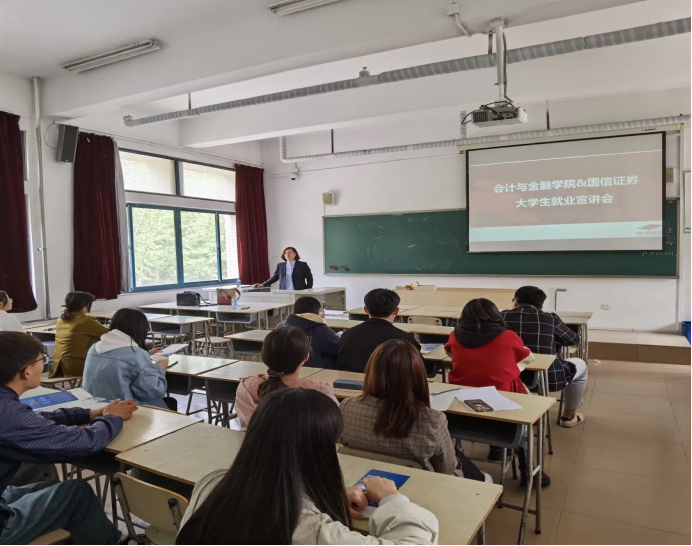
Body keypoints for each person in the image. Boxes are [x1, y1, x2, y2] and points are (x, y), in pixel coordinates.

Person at [176, 388, 439, 545]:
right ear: (322, 450)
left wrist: (321, 497)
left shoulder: (211, 483)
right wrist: (393, 501)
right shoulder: (310, 529)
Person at [0, 331, 138, 545]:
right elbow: (86, 442)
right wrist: (112, 418)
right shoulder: (7, 413)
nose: (44, 365)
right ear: (27, 371)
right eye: (42, 360)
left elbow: (34, 420)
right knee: (77, 492)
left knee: (47, 487)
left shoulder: (7, 405)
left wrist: (90, 414)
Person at [340, 340, 488, 482]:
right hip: (421, 488)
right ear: (418, 375)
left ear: (371, 372)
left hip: (364, 483)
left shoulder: (346, 408)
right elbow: (447, 471)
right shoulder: (433, 421)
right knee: (464, 463)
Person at [503, 286, 588, 428]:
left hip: (509, 376)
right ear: (541, 306)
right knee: (581, 365)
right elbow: (573, 340)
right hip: (548, 378)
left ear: (515, 302)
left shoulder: (501, 317)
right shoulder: (550, 318)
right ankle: (569, 416)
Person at [235, 327, 338, 429]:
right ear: (306, 357)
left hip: (255, 439)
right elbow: (336, 423)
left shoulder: (245, 387)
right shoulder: (320, 392)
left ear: (264, 355)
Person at [84, 308, 177, 411]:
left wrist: (147, 353)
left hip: (95, 408)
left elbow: (119, 357)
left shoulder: (94, 348)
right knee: (170, 402)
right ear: (140, 329)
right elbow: (154, 391)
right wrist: (160, 368)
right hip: (123, 411)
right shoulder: (136, 354)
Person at [445, 298, 531, 395]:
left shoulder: (454, 335)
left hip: (461, 389)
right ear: (496, 314)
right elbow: (526, 357)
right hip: (500, 391)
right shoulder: (508, 336)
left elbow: (450, 353)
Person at [337, 288, 420, 373]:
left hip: (350, 380)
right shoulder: (405, 339)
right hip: (387, 381)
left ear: (366, 310)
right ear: (396, 311)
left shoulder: (347, 334)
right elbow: (419, 368)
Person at [51, 292, 108, 378]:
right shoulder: (86, 321)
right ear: (85, 305)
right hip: (78, 366)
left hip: (59, 366)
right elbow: (110, 334)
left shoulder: (60, 320)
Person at [277, 296, 340, 369]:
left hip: (284, 370)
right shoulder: (322, 330)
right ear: (316, 311)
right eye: (320, 311)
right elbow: (339, 348)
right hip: (316, 371)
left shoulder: (280, 326)